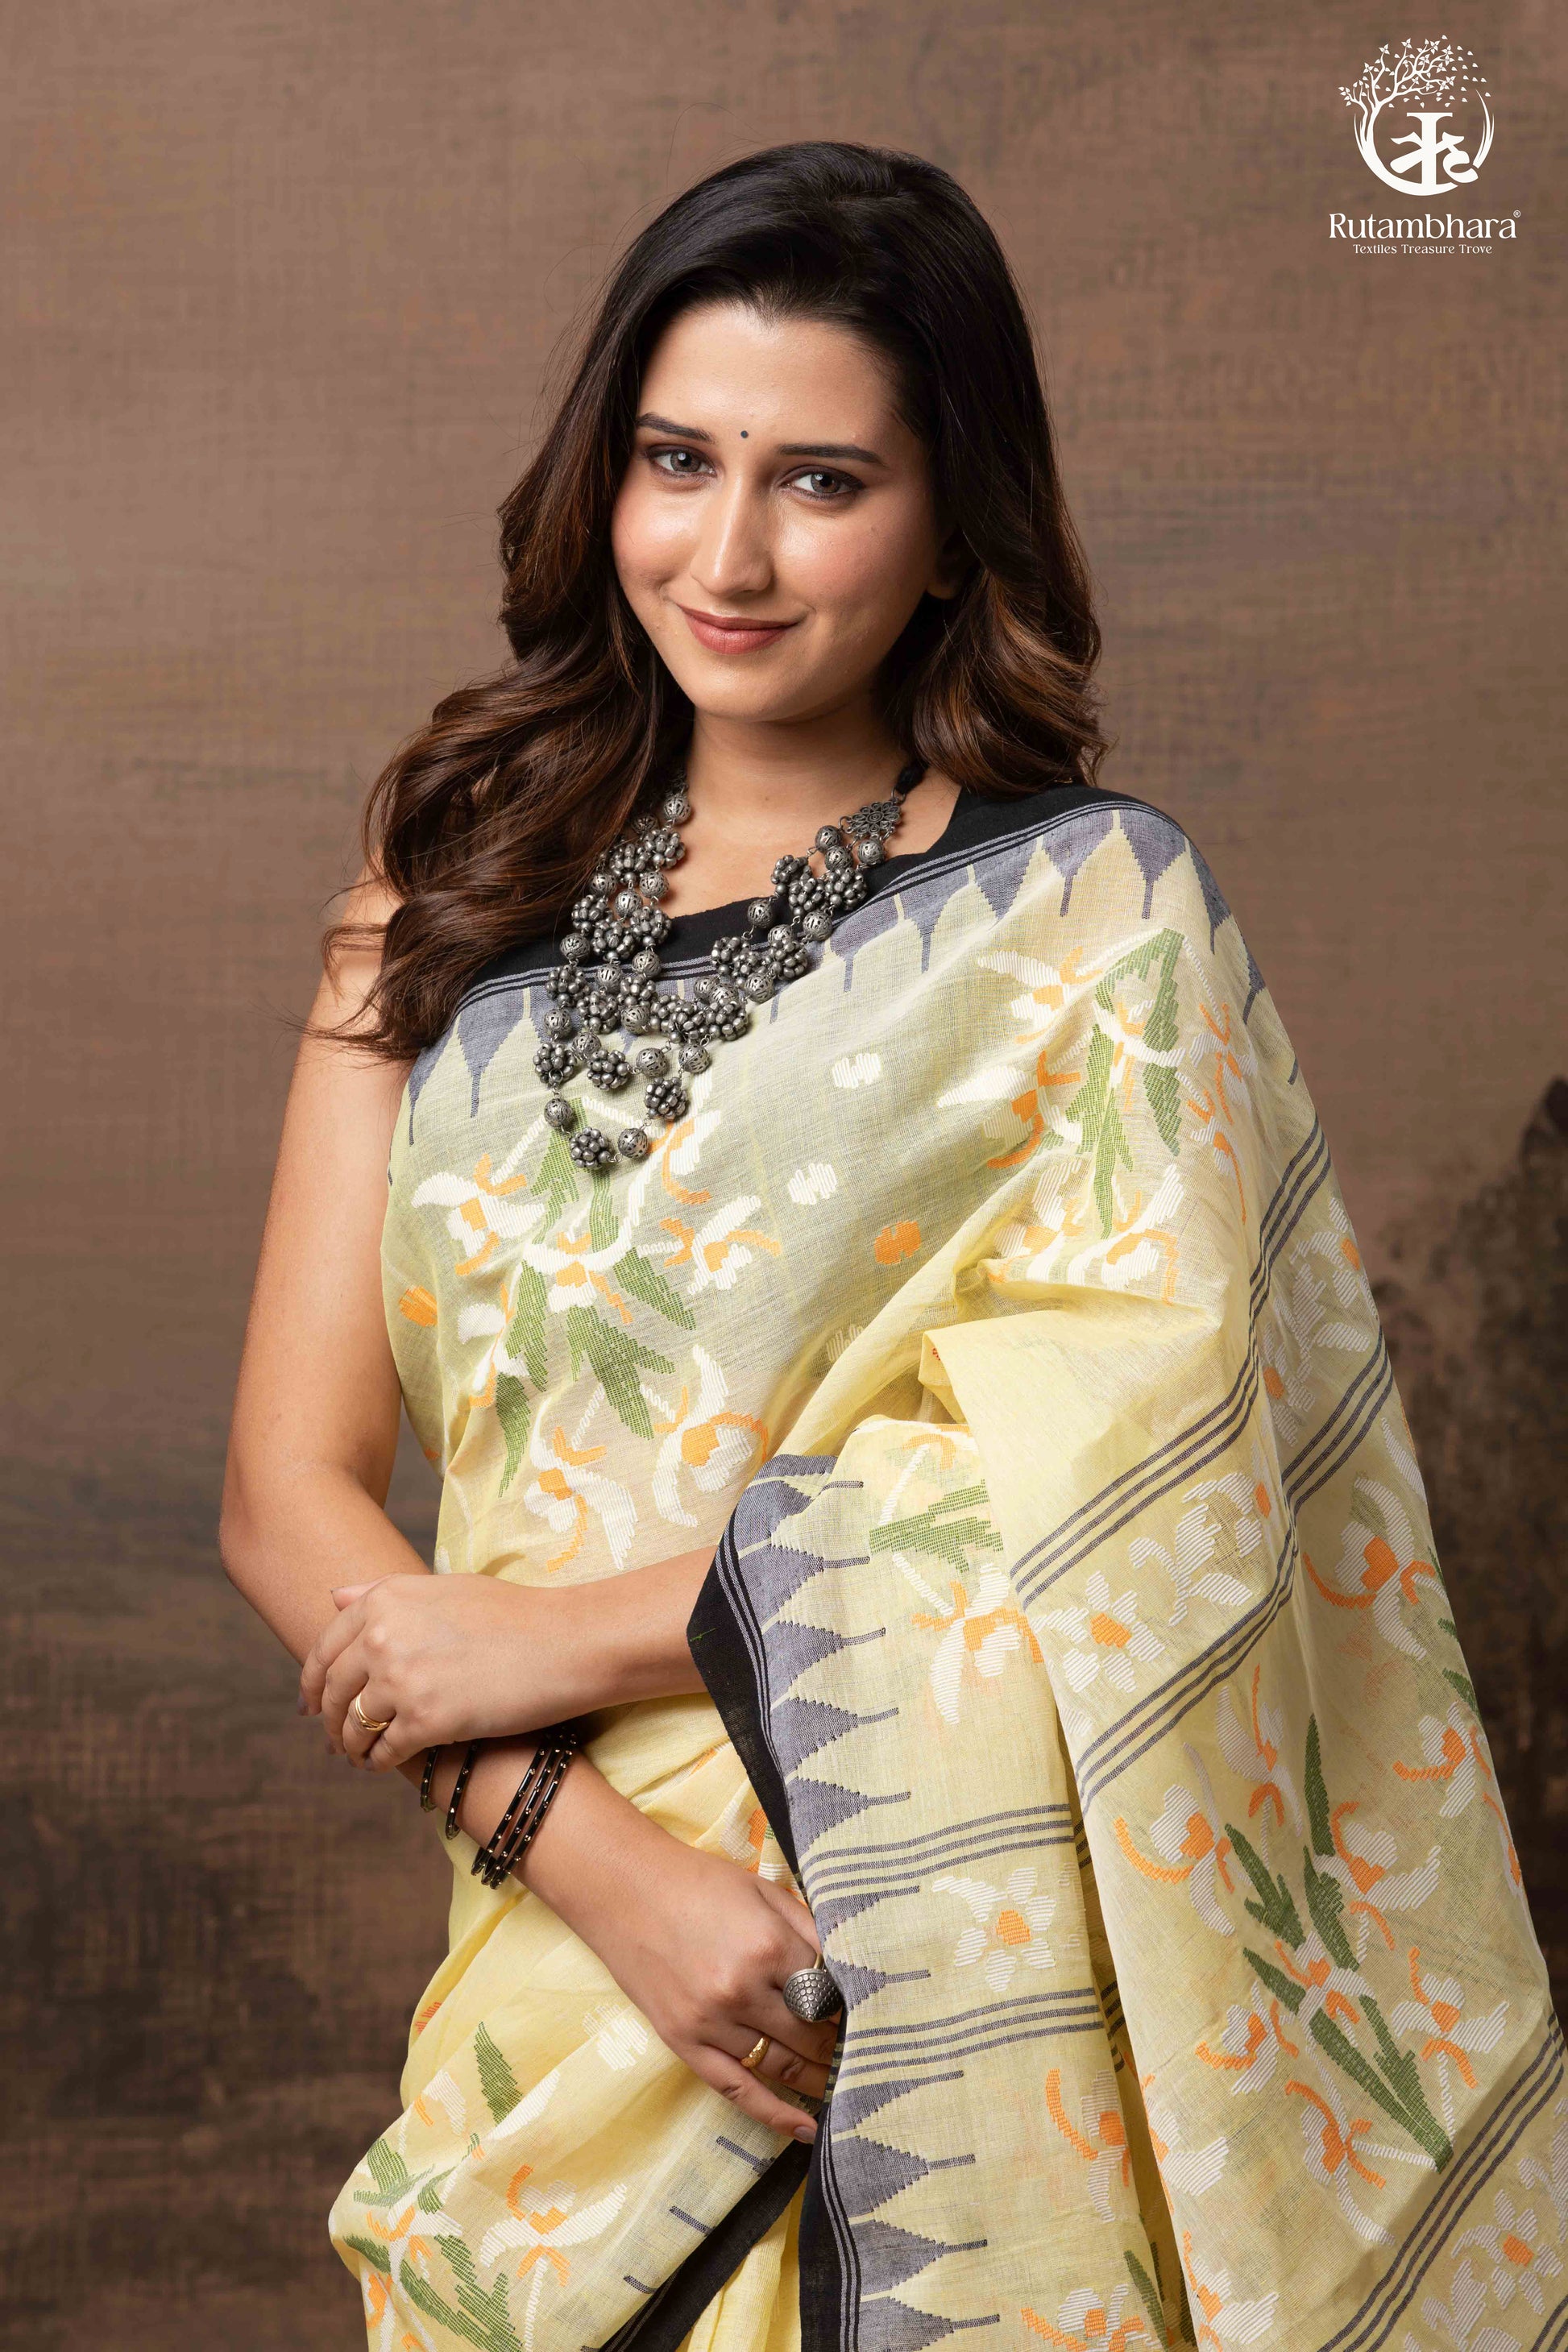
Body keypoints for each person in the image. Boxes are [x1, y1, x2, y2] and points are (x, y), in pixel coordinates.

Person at [222, 142, 1561, 2352]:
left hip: (932, 1962)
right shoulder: (437, 898)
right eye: (676, 461)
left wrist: (540, 1647)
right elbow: (289, 1496)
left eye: (821, 483)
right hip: (561, 1992)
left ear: (955, 522)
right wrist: (597, 1861)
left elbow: (1153, 1494)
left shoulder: (1091, 920)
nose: (726, 554)